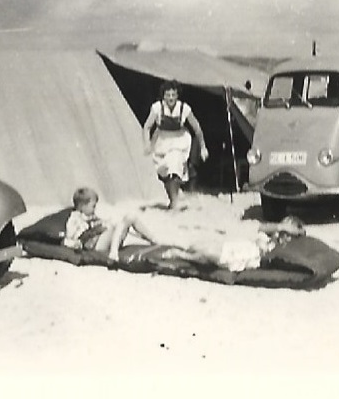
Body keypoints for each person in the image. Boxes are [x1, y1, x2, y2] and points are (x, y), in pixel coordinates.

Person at [143, 80, 209, 209]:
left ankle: (174, 202)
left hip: (179, 142)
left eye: (173, 95)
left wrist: (203, 147)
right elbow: (147, 127)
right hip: (161, 142)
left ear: (177, 95)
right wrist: (147, 143)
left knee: (174, 166)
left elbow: (197, 128)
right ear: (163, 96)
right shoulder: (157, 108)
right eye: (168, 95)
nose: (171, 98)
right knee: (164, 172)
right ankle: (173, 198)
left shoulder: (184, 108)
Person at [158, 216, 307, 272]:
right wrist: (280, 229)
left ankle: (181, 255)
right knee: (198, 245)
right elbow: (261, 229)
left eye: (287, 233)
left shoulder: (281, 248)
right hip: (236, 248)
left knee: (207, 252)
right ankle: (182, 252)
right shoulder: (270, 237)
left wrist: (285, 231)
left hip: (238, 258)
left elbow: (267, 253)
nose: (281, 233)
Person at [62, 187, 160, 263]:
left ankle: (154, 239)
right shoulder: (75, 219)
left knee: (130, 217)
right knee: (115, 224)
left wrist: (102, 223)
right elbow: (69, 239)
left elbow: (99, 224)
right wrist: (80, 238)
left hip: (104, 241)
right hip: (97, 247)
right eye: (93, 206)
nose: (95, 209)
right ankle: (113, 253)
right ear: (82, 206)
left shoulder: (90, 215)